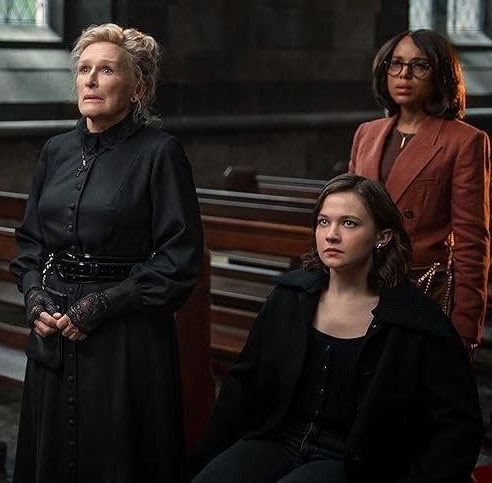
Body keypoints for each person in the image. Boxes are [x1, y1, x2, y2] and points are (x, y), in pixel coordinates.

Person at [189, 174, 483, 482]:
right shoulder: (289, 298)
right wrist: (205, 460)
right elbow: (242, 385)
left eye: (349, 223)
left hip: (353, 459)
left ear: (382, 237)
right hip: (280, 440)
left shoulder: (416, 321)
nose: (331, 235)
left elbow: (458, 425)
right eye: (323, 222)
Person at [9, 23, 204, 482]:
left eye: (107, 70)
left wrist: (103, 304)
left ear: (139, 88)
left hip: (127, 337)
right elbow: (31, 240)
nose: (91, 80)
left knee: (118, 457)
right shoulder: (56, 150)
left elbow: (179, 259)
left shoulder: (160, 153)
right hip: (55, 327)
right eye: (84, 70)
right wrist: (34, 296)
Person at [348, 29, 490, 353]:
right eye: (396, 64)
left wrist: (466, 328)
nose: (404, 74)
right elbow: (348, 216)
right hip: (361, 287)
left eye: (419, 65)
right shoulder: (366, 134)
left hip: (422, 293)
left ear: (441, 74)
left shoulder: (465, 141)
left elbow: (472, 242)